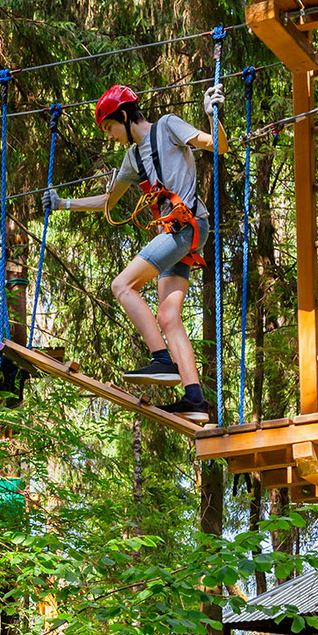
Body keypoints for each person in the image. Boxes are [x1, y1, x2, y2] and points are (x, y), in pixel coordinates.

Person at [43, 83, 227, 421]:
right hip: (175, 235)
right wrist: (63, 203)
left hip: (185, 227)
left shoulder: (169, 125)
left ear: (125, 117)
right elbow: (108, 201)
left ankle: (161, 359)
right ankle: (195, 400)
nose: (110, 137)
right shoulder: (132, 158)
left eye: (110, 128)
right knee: (168, 317)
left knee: (122, 286)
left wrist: (211, 113)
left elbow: (217, 145)